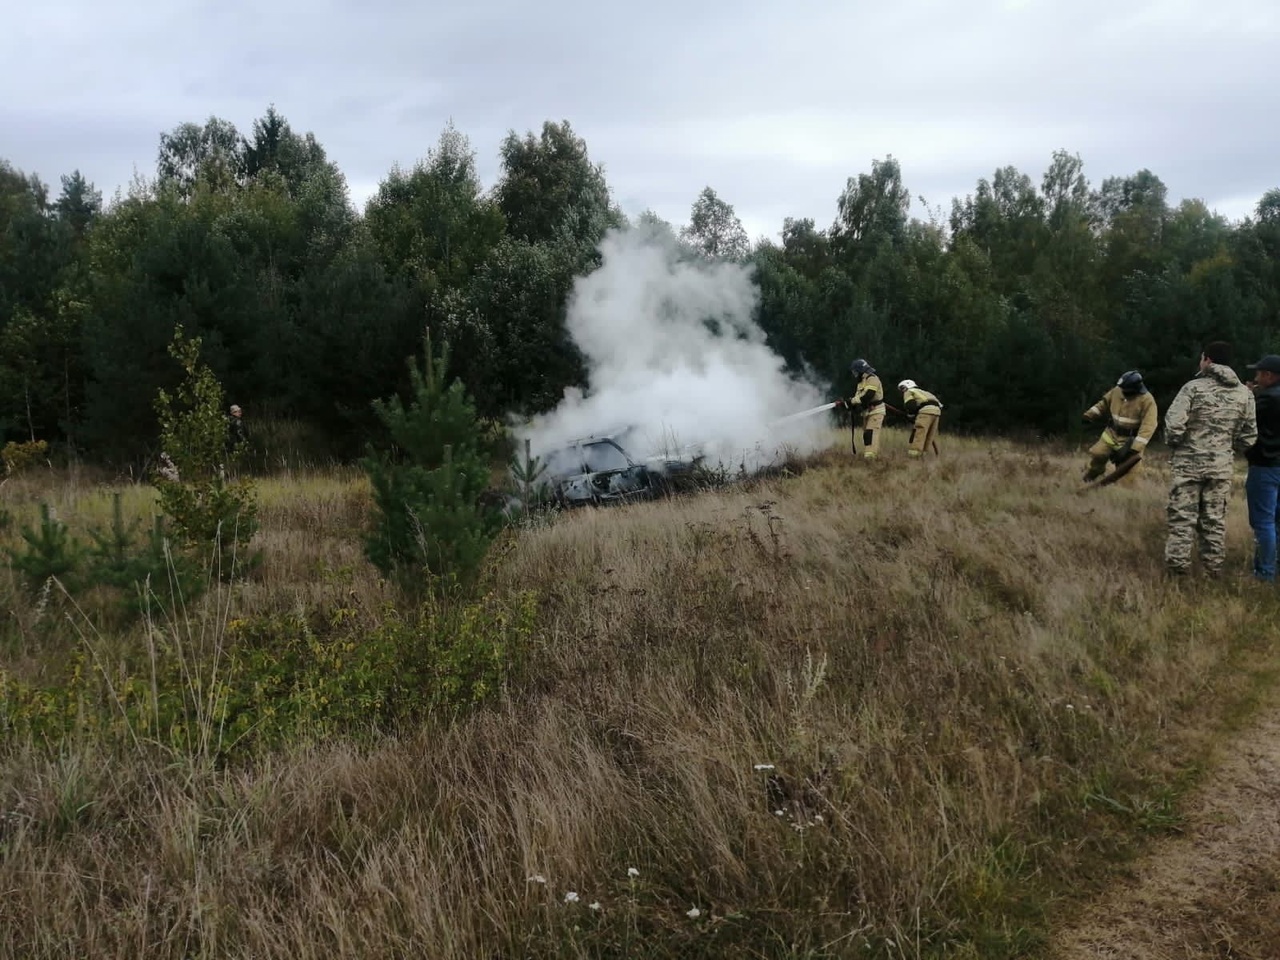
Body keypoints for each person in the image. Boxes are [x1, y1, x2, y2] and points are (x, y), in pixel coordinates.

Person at [1162, 342, 1257, 578]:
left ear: (1208, 360)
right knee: (1214, 520)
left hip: (1188, 466)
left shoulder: (1192, 388)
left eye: (1201, 358)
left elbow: (1173, 425)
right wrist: (1227, 446)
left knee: (1183, 519)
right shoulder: (1245, 394)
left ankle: (1178, 572)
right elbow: (1249, 436)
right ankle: (1212, 571)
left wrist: (1178, 444)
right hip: (1221, 468)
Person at [1081, 370, 1159, 485]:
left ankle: (1123, 494)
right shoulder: (1117, 390)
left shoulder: (1147, 400)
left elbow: (1149, 425)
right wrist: (1090, 414)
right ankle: (1094, 473)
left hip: (1130, 441)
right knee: (1098, 453)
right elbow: (1103, 403)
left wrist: (1136, 448)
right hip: (1111, 434)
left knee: (1130, 475)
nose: (1123, 392)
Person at [1244, 354, 1280, 582]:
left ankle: (1264, 573)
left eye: (1259, 373)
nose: (1256, 377)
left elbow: (1247, 420)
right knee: (1277, 521)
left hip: (1265, 466)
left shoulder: (1266, 399)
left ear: (1269, 375)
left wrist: (1248, 396)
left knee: (1263, 522)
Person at [839, 359, 886, 459]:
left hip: (876, 411)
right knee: (867, 435)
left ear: (861, 370)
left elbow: (868, 395)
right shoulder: (861, 382)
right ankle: (872, 455)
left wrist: (851, 401)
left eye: (855, 372)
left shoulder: (872, 378)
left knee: (871, 432)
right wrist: (848, 405)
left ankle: (870, 458)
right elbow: (859, 398)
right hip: (867, 412)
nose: (854, 374)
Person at [898, 379, 942, 458]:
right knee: (929, 436)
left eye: (902, 388)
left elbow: (910, 405)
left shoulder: (909, 391)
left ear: (906, 386)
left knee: (919, 434)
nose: (902, 391)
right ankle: (923, 456)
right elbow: (940, 405)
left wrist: (911, 415)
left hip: (925, 412)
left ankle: (914, 456)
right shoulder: (926, 392)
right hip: (937, 413)